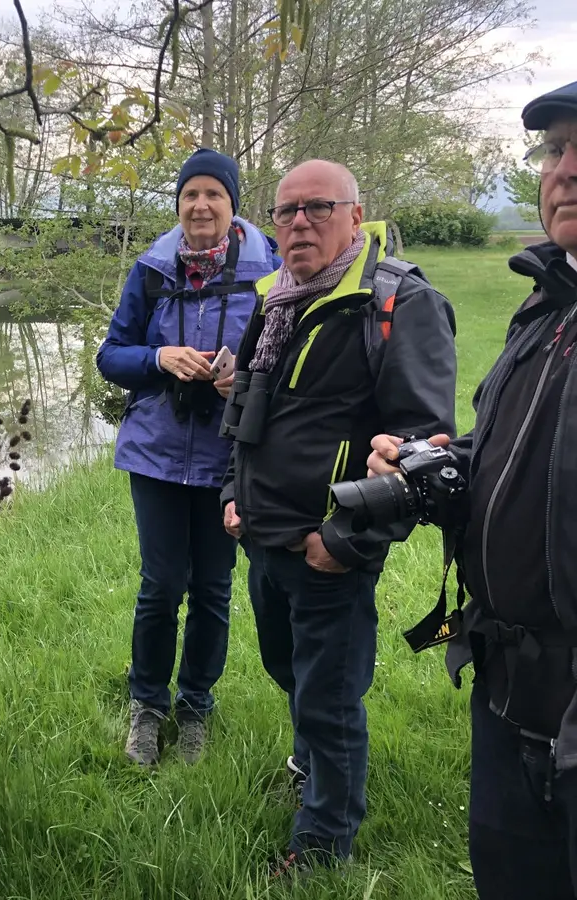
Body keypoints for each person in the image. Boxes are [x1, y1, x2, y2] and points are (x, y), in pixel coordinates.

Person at [367, 79, 577, 900]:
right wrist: (436, 467)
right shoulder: (542, 308)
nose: (565, 170)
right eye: (555, 150)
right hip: (505, 694)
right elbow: (515, 465)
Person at [218, 159, 457, 873]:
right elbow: (246, 409)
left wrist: (345, 541)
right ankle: (314, 769)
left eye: (317, 209)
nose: (298, 225)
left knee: (328, 696)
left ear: (355, 215)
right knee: (285, 668)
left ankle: (323, 846)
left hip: (328, 545)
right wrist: (233, 492)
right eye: (285, 212)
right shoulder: (278, 296)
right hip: (264, 536)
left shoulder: (397, 302)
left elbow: (422, 446)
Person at [96, 148, 279, 766]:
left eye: (213, 195)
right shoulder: (151, 270)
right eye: (189, 195)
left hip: (228, 457)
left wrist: (245, 378)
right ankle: (146, 705)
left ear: (233, 206)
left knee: (212, 588)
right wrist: (159, 359)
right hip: (155, 453)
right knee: (160, 585)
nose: (200, 205)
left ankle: (196, 705)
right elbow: (110, 355)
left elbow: (284, 359)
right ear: (178, 204)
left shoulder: (269, 272)